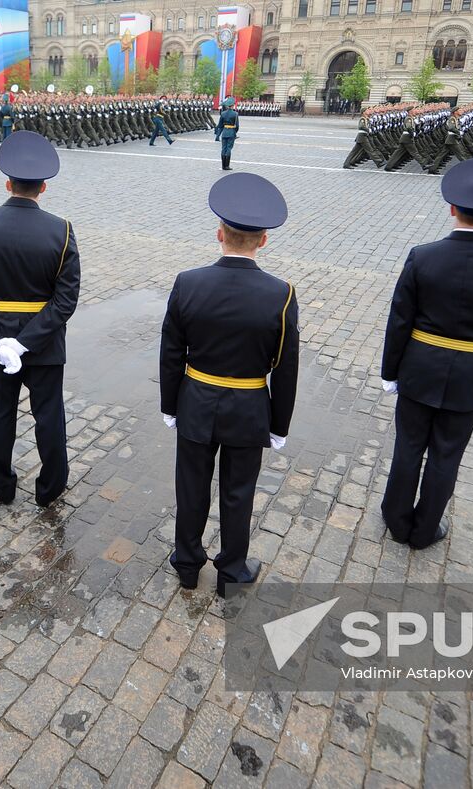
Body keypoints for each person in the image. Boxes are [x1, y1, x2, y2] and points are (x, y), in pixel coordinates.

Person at [160, 172, 298, 597]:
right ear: (263, 241)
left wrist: (170, 405)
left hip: (197, 399)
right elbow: (285, 366)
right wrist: (279, 424)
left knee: (191, 487)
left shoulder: (189, 282)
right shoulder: (281, 293)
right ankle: (231, 571)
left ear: (219, 233)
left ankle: (187, 563)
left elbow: (171, 351)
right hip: (249, 406)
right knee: (238, 492)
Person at [380, 158, 473, 549]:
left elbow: (400, 319)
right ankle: (425, 528)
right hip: (470, 373)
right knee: (447, 455)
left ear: (451, 209)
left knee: (408, 446)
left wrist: (390, 370)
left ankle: (397, 519)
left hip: (419, 365)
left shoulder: (423, 255)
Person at [0, 131, 80, 508]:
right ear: (43, 187)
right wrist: (26, 342)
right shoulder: (61, 231)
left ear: (8, 184)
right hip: (43, 345)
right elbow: (66, 299)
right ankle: (51, 487)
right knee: (49, 418)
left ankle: (2, 486)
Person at [216, 97, 239, 170]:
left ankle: (223, 165)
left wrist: (217, 135)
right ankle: (227, 166)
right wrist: (235, 132)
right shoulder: (235, 114)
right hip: (231, 132)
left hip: (224, 132)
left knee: (223, 148)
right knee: (229, 148)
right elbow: (237, 126)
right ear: (232, 105)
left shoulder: (223, 113)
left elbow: (220, 125)